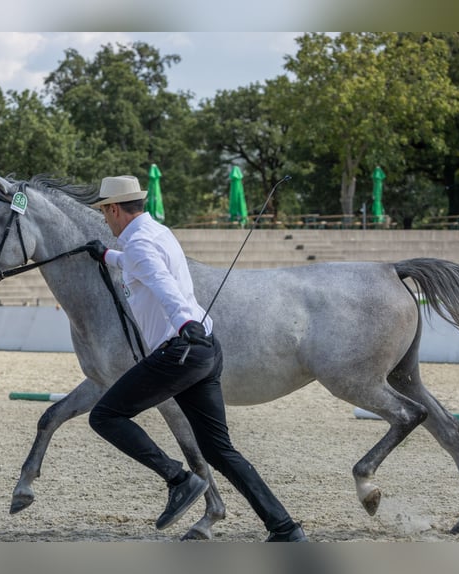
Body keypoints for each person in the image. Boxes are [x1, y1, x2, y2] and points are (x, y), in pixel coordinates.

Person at [84, 174, 307, 542]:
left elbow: (163, 285)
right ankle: (284, 527)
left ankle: (179, 480)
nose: (105, 220)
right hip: (206, 348)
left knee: (105, 416)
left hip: (181, 350)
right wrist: (107, 255)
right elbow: (142, 263)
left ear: (113, 209)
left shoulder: (139, 243)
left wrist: (185, 322)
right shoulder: (157, 233)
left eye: (105, 213)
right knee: (220, 451)